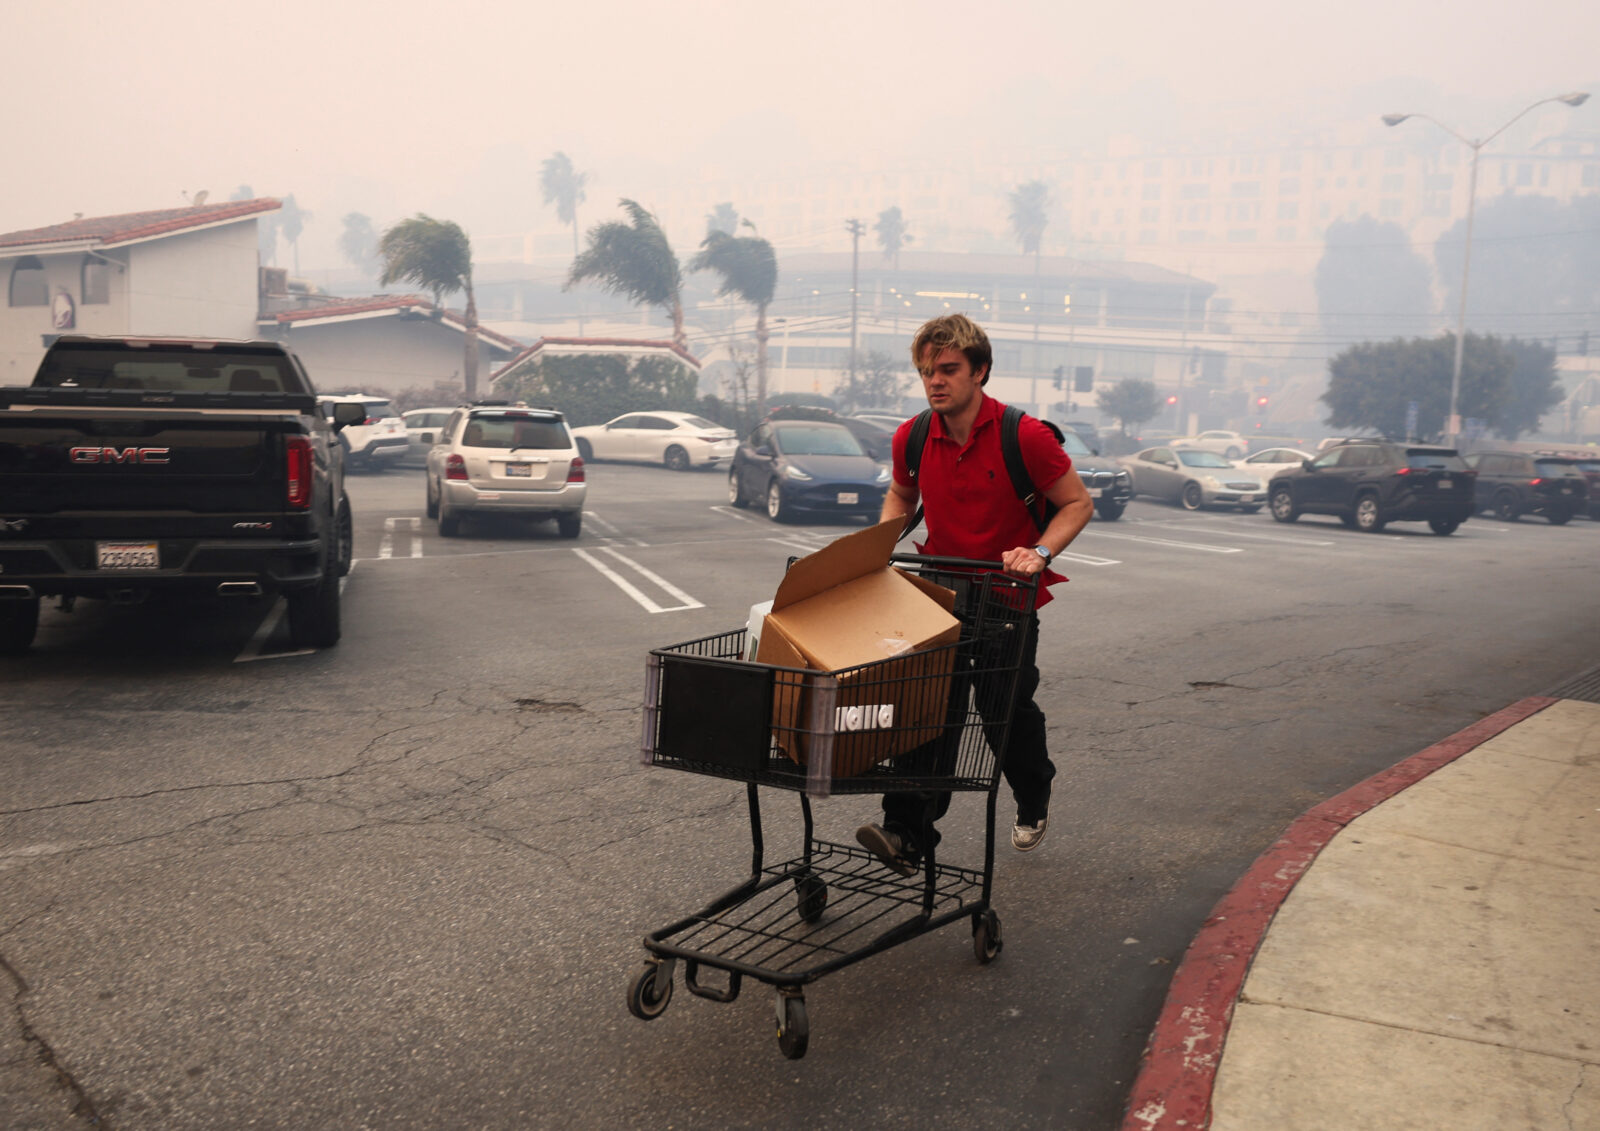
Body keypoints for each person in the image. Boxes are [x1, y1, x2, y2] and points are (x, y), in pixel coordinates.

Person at [855, 313, 1095, 875]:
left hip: (1005, 599)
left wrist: (1040, 552)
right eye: (926, 372)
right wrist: (882, 542)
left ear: (980, 371)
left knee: (1002, 714)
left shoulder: (1025, 436)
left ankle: (1033, 793)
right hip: (939, 594)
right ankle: (906, 832)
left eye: (948, 369)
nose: (935, 381)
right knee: (926, 711)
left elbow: (1077, 503)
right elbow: (901, 494)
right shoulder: (913, 435)